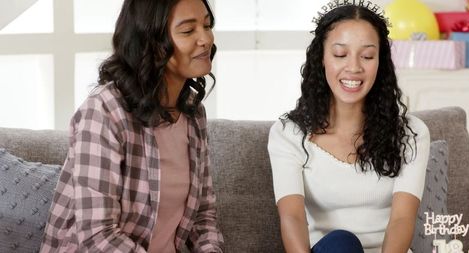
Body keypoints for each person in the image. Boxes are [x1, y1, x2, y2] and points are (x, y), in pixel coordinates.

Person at [40, 0, 223, 252]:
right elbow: (97, 236)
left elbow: (203, 217)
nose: (206, 39)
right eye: (188, 31)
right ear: (152, 43)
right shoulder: (104, 111)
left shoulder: (193, 113)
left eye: (207, 25)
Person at [267, 2, 430, 253]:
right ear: (321, 58)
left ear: (380, 62)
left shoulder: (412, 133)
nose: (354, 67)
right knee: (343, 243)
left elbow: (402, 219)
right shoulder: (289, 134)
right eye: (340, 54)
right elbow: (292, 218)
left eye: (367, 56)